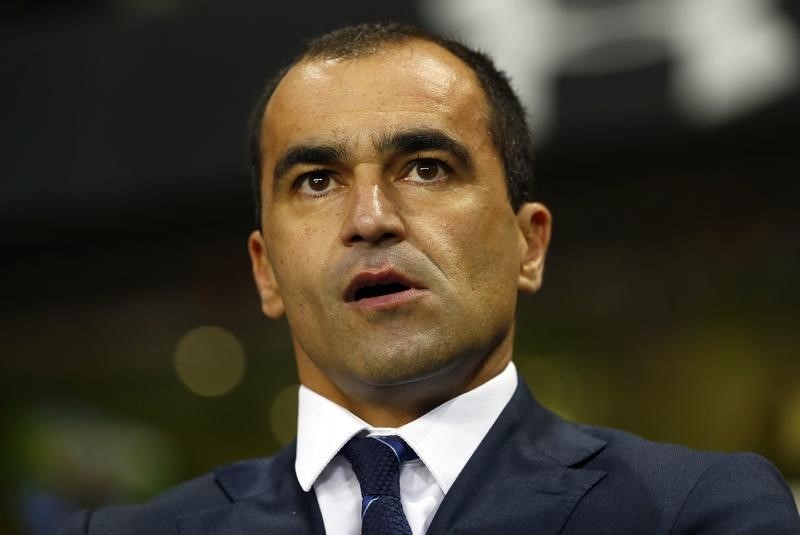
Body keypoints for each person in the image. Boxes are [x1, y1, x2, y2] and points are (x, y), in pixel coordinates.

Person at [60, 21, 800, 534]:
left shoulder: (694, 511)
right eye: (317, 181)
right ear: (266, 272)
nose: (371, 217)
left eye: (425, 167)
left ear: (528, 244)